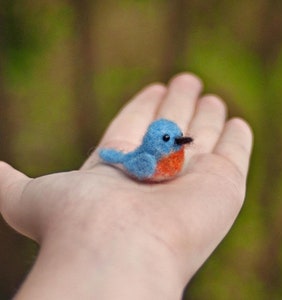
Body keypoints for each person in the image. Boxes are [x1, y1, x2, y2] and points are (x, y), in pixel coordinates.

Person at [0, 73, 253, 299]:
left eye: (176, 135)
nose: (177, 140)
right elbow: (128, 161)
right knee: (115, 157)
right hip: (124, 159)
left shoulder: (177, 158)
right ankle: (109, 156)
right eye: (168, 139)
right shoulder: (147, 161)